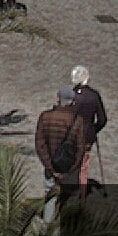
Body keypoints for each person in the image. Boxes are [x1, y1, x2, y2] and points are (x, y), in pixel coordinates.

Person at [35, 86, 88, 223]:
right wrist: (70, 170)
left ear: (58, 99)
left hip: (50, 168)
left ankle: (46, 232)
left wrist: (50, 167)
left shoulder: (45, 117)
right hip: (68, 170)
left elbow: (40, 145)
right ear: (72, 102)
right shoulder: (78, 121)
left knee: (50, 197)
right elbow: (80, 149)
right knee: (68, 198)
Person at [69, 65, 107, 194]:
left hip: (72, 135)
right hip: (87, 135)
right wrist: (94, 129)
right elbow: (102, 119)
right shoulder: (94, 96)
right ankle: (82, 192)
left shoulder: (71, 95)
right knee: (84, 164)